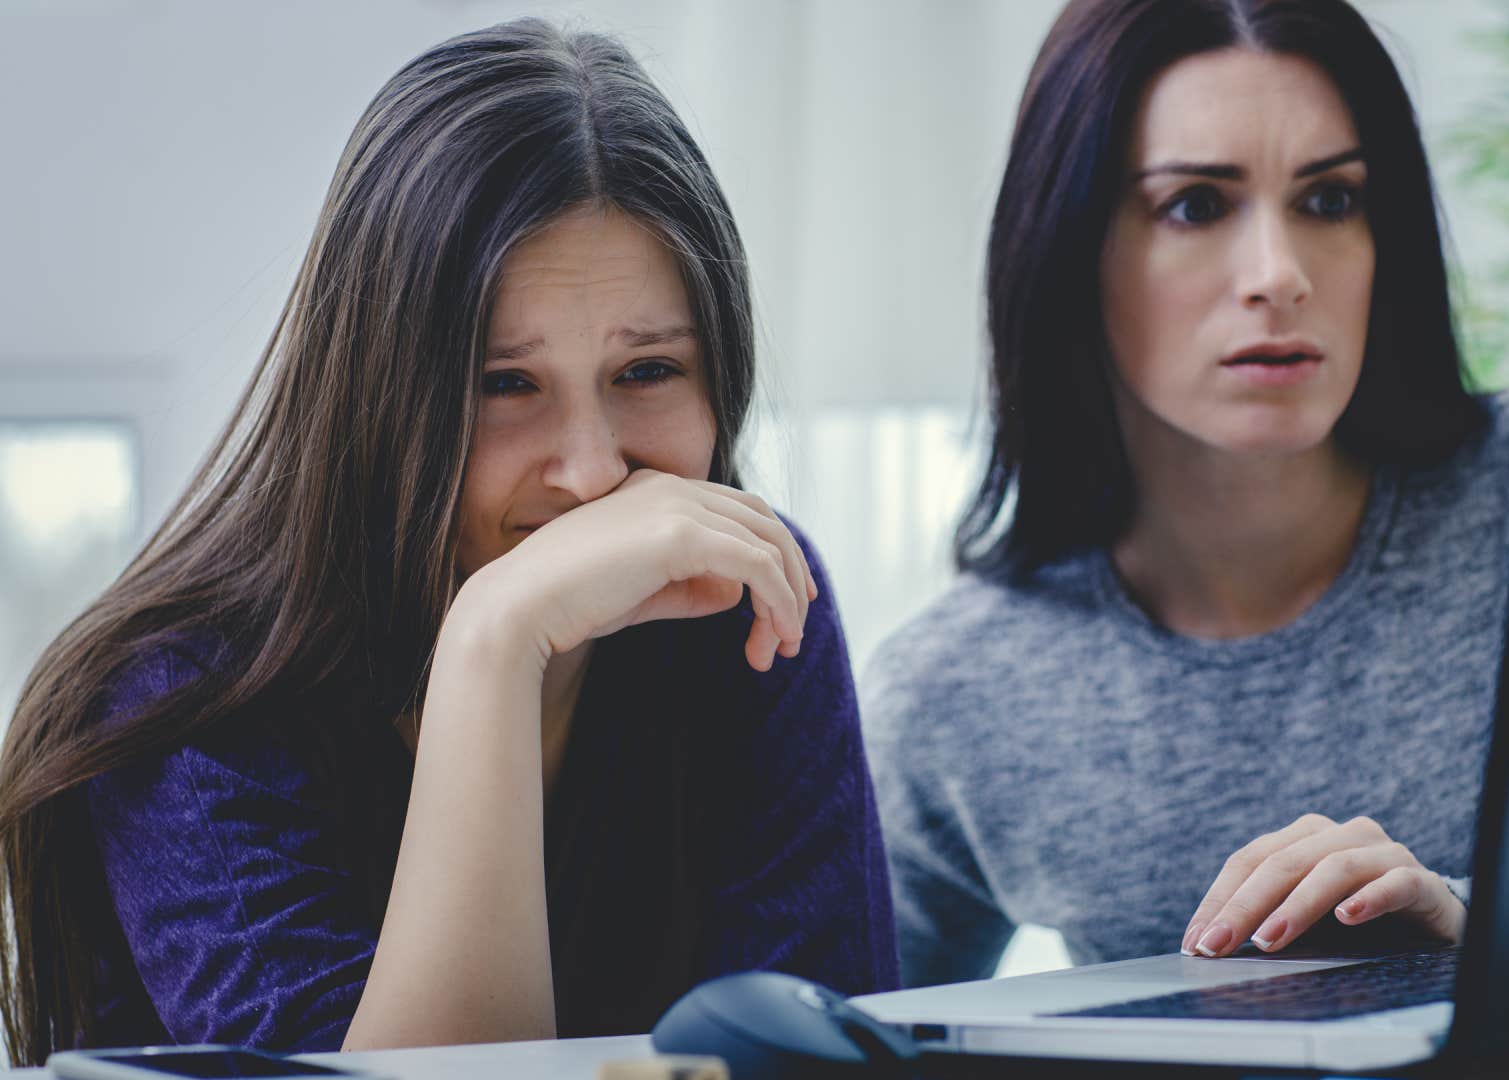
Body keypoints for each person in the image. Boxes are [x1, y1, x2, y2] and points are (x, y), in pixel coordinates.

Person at [861, 0, 1509, 987]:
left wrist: (1484, 922)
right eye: (1194, 204)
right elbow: (808, 1028)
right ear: (1066, 251)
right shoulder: (961, 689)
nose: (1279, 271)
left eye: (1331, 200)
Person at [0, 18, 895, 1066]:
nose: (594, 473)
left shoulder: (748, 604)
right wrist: (494, 644)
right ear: (384, 392)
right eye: (503, 384)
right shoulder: (183, 703)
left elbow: (816, 1049)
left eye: (647, 371)